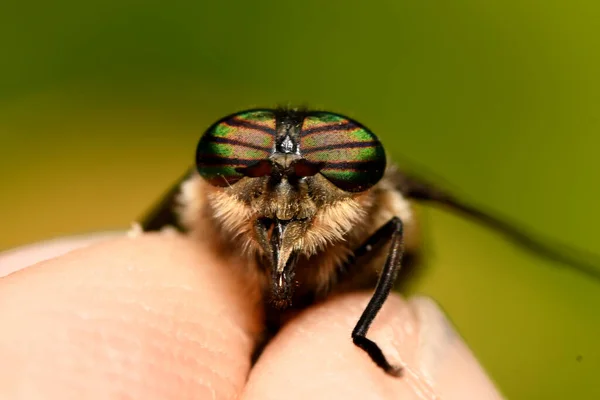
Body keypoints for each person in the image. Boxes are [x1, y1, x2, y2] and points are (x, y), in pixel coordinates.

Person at [0, 232, 503, 399]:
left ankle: (362, 327)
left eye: (335, 158)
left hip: (349, 283)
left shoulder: (376, 214)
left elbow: (405, 238)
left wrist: (366, 334)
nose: (284, 189)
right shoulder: (212, 197)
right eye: (239, 155)